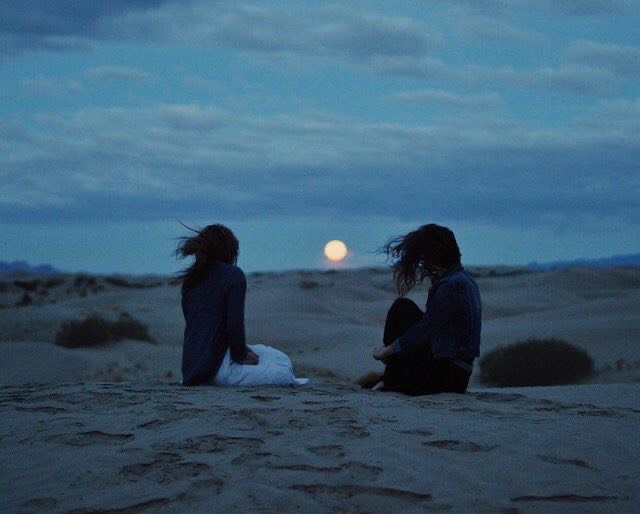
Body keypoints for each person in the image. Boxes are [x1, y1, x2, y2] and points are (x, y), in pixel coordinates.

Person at [177, 223, 307, 387]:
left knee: (270, 355)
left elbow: (198, 328)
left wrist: (241, 350)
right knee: (282, 370)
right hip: (216, 369)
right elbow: (234, 324)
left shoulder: (191, 280)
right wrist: (240, 355)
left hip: (192, 369)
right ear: (229, 249)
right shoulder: (233, 275)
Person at [370, 224, 481, 395]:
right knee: (406, 309)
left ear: (434, 256)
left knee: (402, 308)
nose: (423, 265)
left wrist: (389, 350)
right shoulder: (464, 280)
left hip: (447, 374)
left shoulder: (452, 284)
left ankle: (392, 378)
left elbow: (427, 327)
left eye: (424, 257)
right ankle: (394, 377)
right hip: (455, 372)